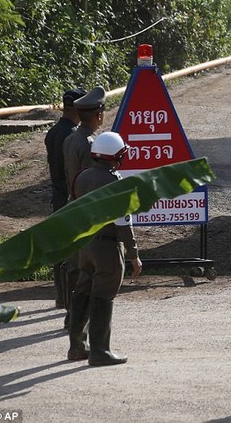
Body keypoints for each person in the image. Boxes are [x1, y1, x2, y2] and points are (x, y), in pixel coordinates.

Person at [67, 132, 142, 366]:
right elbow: (122, 221)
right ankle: (100, 351)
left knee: (83, 292)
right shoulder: (115, 181)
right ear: (117, 156)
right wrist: (134, 255)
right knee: (103, 296)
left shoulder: (81, 177)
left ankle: (77, 347)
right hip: (107, 248)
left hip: (85, 246)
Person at [60, 86, 106, 328]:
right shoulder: (90, 144)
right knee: (86, 267)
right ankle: (77, 318)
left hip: (72, 203)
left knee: (73, 264)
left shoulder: (70, 138)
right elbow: (92, 180)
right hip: (86, 208)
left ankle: (70, 313)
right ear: (98, 115)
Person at [44, 87, 86, 309]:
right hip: (70, 196)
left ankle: (61, 296)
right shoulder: (73, 136)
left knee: (59, 249)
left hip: (57, 195)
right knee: (72, 252)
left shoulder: (53, 132)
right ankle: (70, 300)